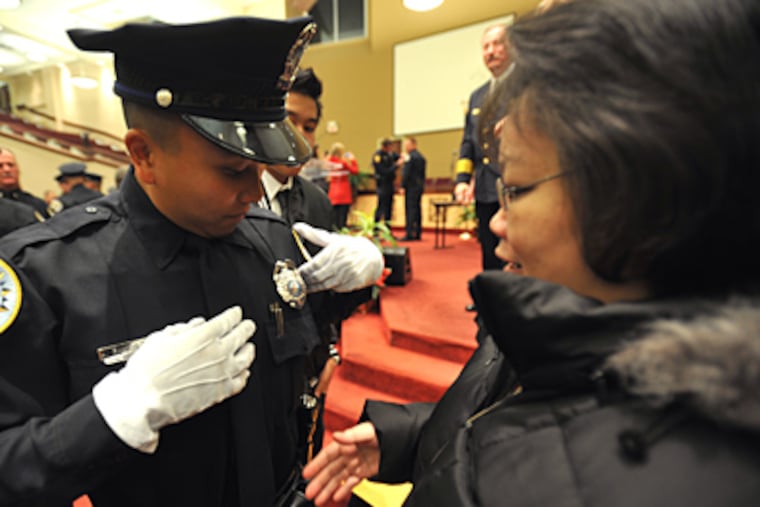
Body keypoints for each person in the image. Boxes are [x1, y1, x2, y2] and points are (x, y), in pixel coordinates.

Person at [303, 0, 760, 505]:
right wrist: (403, 436)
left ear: (632, 196)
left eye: (517, 189)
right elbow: (495, 419)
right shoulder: (550, 310)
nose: (496, 220)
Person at [0, 16, 381, 507]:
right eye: (234, 170)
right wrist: (116, 414)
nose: (253, 191)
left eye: (261, 170)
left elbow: (305, 333)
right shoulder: (46, 274)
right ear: (144, 156)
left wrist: (361, 278)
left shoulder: (269, 238)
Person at [258, 67, 376, 463]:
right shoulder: (230, 193)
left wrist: (331, 354)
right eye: (287, 120)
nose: (300, 137)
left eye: (308, 127)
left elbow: (327, 295)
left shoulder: (318, 201)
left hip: (310, 375)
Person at [453, 23, 510, 270]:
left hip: (515, 184)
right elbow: (468, 142)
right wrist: (463, 179)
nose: (490, 51)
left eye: (497, 44)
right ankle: (489, 304)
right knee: (489, 248)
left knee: (517, 250)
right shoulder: (477, 96)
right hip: (486, 186)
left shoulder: (527, 85)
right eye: (485, 46)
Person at [0, 146, 49, 218]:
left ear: (18, 170)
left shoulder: (37, 205)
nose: (7, 169)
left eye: (11, 165)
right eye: (0, 166)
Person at [326, 142, 359, 230]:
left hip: (333, 191)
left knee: (334, 218)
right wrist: (352, 160)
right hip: (343, 192)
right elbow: (355, 171)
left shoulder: (329, 161)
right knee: (342, 218)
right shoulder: (342, 163)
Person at [399, 136, 426, 241]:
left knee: (410, 210)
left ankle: (409, 233)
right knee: (417, 210)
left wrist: (402, 186)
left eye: (407, 145)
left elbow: (406, 173)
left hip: (411, 187)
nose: (406, 147)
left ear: (414, 145)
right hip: (419, 186)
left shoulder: (410, 157)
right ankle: (417, 232)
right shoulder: (421, 157)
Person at [372, 138, 401, 225]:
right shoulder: (378, 156)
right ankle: (376, 230)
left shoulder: (390, 155)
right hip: (382, 184)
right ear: (384, 147)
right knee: (381, 207)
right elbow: (383, 171)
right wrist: (396, 166)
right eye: (389, 147)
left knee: (389, 208)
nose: (390, 150)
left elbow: (397, 156)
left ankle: (388, 229)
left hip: (389, 184)